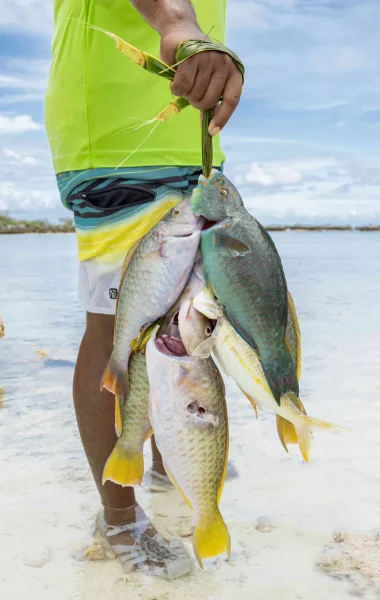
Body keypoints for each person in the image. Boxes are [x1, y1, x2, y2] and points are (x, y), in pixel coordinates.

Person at [45, 0, 243, 579]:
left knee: (189, 321)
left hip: (189, 130)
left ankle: (167, 462)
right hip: (120, 132)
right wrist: (176, 22)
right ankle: (118, 517)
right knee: (118, 333)